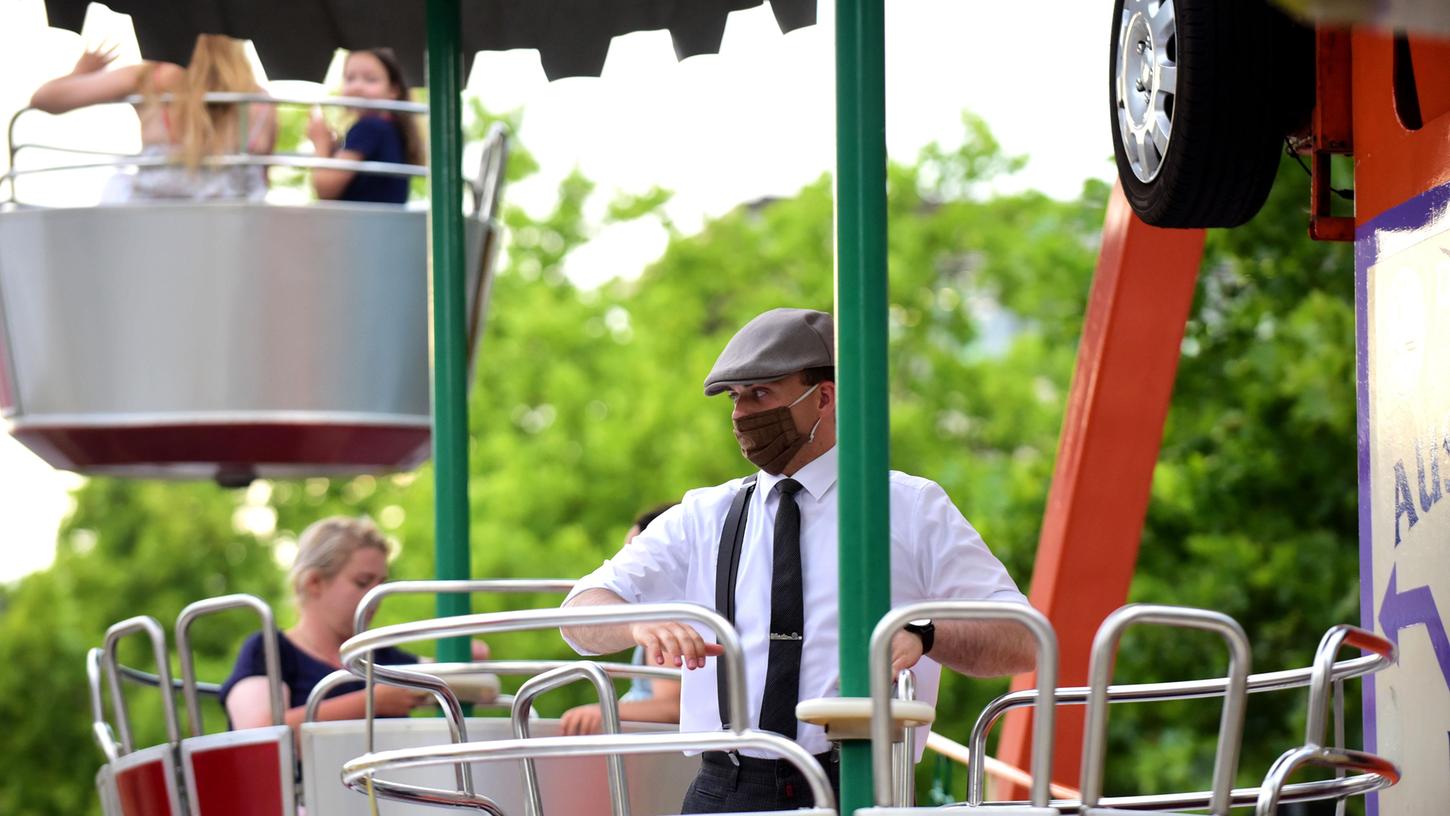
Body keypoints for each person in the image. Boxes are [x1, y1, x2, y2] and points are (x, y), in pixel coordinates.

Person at [561, 307, 1037, 813]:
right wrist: (640, 623)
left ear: (824, 398)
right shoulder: (703, 514)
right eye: (734, 399)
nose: (742, 414)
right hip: (724, 791)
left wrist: (925, 631)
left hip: (857, 785)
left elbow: (1024, 640)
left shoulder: (908, 506)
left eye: (760, 394)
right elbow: (577, 614)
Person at [222, 515, 481, 730]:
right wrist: (370, 703)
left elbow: (467, 681)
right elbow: (258, 734)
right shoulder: (269, 651)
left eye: (381, 585)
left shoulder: (379, 655)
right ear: (314, 583)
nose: (375, 598)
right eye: (362, 582)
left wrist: (465, 658)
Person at [28, 35, 276, 201]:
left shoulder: (147, 79)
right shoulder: (258, 100)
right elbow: (264, 175)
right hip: (229, 234)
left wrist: (79, 73)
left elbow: (44, 99)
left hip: (150, 226)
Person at [560, 503, 683, 736]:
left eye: (634, 554)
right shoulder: (660, 619)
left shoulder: (662, 622)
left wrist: (601, 711)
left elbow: (672, 707)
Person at [307, 48, 424, 204]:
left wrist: (320, 143)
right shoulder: (393, 128)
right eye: (349, 78)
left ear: (393, 90)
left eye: (370, 79)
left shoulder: (369, 127)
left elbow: (326, 189)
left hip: (363, 224)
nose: (357, 86)